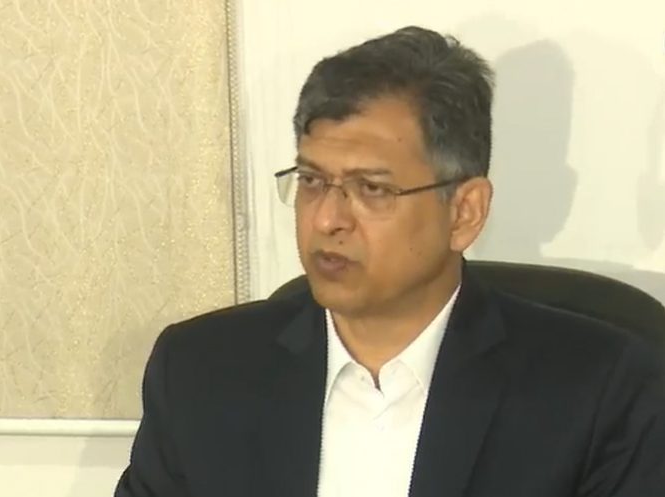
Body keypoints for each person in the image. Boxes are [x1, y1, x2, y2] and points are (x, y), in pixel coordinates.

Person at [115, 26, 665, 497]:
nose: (327, 219)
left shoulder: (599, 391)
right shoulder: (201, 372)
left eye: (371, 189)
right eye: (312, 181)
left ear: (465, 212)